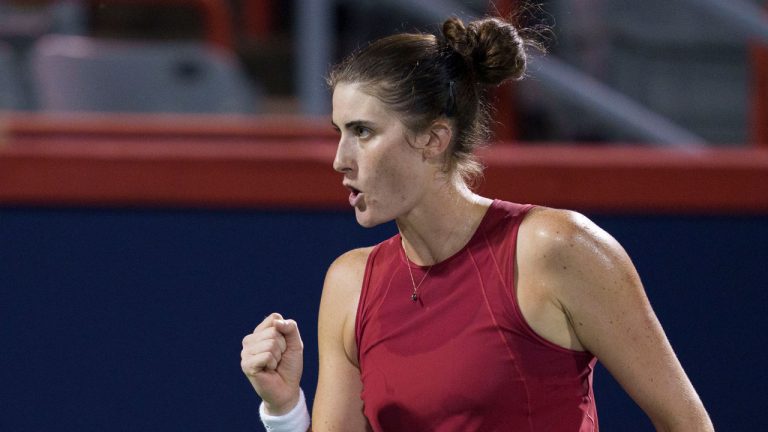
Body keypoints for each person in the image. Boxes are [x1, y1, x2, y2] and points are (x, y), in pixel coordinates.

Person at [240, 15, 714, 432]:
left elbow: (685, 423)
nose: (341, 160)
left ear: (433, 139)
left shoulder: (557, 248)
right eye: (338, 133)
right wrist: (283, 411)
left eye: (363, 132)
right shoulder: (349, 283)